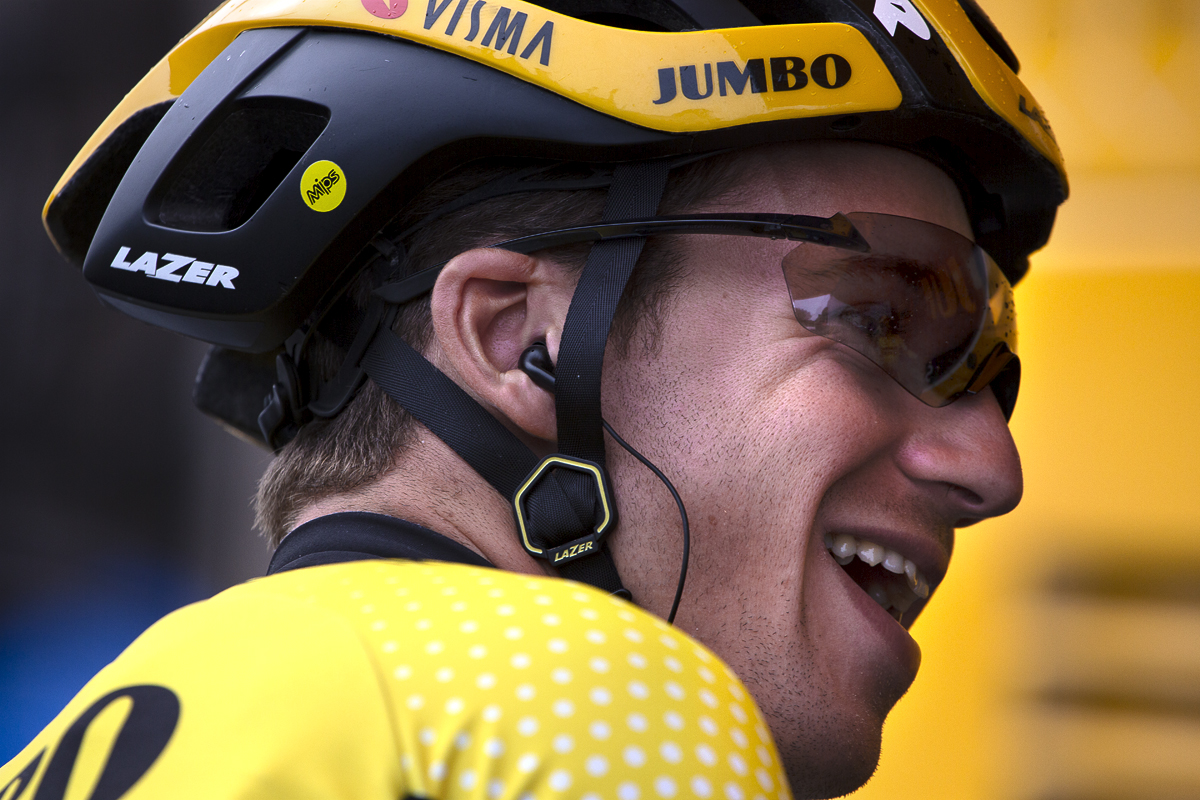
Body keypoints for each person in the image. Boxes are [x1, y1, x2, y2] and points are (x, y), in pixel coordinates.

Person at [2, 0, 1065, 798]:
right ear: (519, 339)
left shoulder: (85, 734)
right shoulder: (590, 701)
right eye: (875, 318)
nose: (992, 468)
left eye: (986, 371)